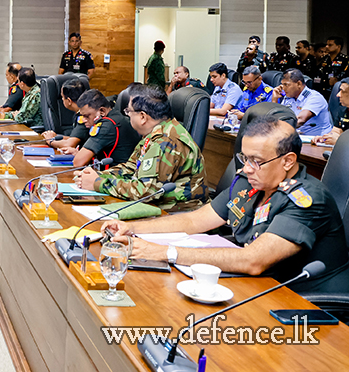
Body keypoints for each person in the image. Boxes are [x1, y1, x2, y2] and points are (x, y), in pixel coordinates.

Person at [103, 118, 349, 296]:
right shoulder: (250, 182)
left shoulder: (307, 200)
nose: (247, 168)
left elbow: (253, 260)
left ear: (288, 161)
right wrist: (132, 228)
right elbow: (194, 221)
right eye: (244, 158)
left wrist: (164, 252)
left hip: (305, 303)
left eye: (257, 161)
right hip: (258, 286)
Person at [76, 85, 207, 211]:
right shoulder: (154, 133)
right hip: (159, 207)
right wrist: (96, 176)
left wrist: (98, 183)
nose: (127, 115)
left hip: (178, 213)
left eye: (128, 111)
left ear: (143, 117)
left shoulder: (165, 141)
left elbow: (145, 192)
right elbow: (131, 168)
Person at [57, 89, 139, 167]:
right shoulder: (116, 117)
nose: (83, 120)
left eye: (87, 116)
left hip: (117, 174)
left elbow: (78, 162)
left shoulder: (107, 125)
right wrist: (78, 153)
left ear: (102, 111)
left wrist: (80, 156)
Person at [272, 69, 333, 136]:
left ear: (299, 84)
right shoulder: (288, 98)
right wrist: (275, 100)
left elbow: (300, 120)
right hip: (297, 137)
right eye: (282, 84)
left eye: (286, 85)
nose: (283, 88)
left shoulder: (315, 97)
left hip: (317, 139)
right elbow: (278, 117)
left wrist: (279, 129)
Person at [42, 78, 88, 150]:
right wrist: (56, 136)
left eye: (62, 97)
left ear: (69, 101)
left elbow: (69, 144)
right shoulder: (80, 112)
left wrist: (50, 141)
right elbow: (76, 138)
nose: (62, 99)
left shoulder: (84, 117)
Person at [313, 80, 349, 146]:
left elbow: (338, 139)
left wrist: (339, 141)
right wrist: (325, 138)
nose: (338, 95)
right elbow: (336, 131)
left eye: (343, 91)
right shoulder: (343, 110)